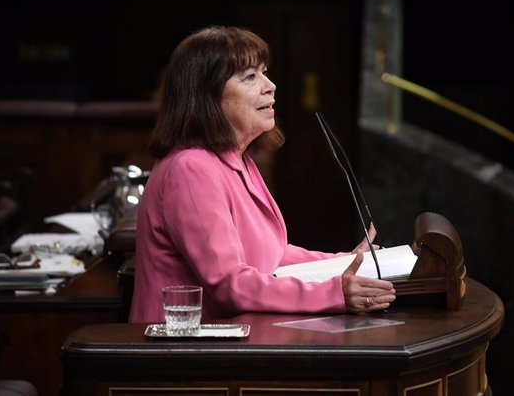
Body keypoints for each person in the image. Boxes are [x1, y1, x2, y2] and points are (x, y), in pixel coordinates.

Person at [129, 26, 395, 323]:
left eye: (264, 72)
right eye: (250, 77)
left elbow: (271, 255)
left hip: (228, 336)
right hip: (179, 348)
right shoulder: (190, 168)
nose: (270, 86)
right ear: (207, 96)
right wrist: (331, 294)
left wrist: (347, 263)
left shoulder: (235, 158)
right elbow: (229, 282)